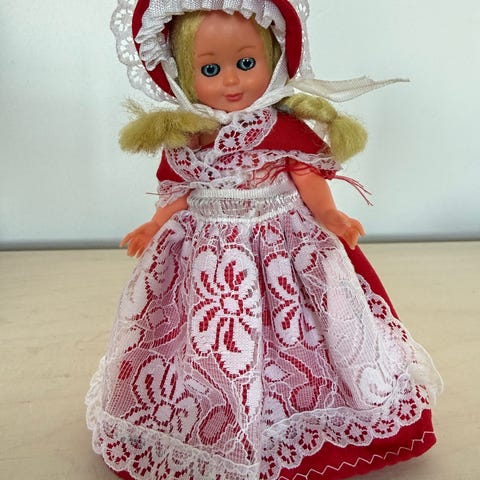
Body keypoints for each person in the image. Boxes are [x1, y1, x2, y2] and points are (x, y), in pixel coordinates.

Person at [86, 2, 442, 479]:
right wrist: (155, 225)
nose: (231, 81)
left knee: (306, 329)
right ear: (182, 74)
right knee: (202, 332)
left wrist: (329, 215)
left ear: (273, 61)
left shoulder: (279, 127)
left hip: (282, 243)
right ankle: (205, 416)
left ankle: (309, 412)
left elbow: (306, 174)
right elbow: (180, 191)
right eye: (210, 69)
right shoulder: (189, 136)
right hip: (209, 255)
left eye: (246, 63)